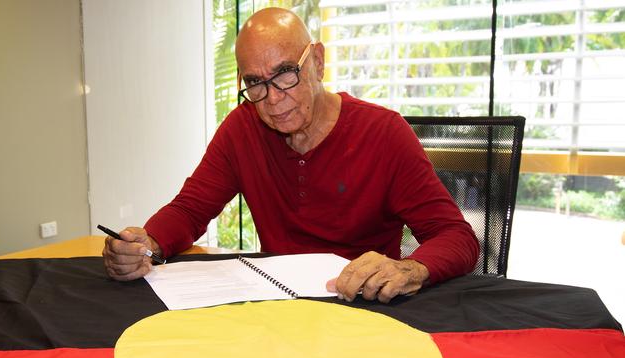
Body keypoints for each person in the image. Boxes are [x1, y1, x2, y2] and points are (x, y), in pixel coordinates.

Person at [102, 7, 479, 304]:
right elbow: (190, 209)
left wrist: (411, 268)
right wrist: (145, 243)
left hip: (363, 308)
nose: (274, 98)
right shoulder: (242, 128)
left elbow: (456, 236)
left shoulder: (383, 133)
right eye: (255, 83)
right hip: (277, 306)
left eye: (285, 73)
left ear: (317, 61)